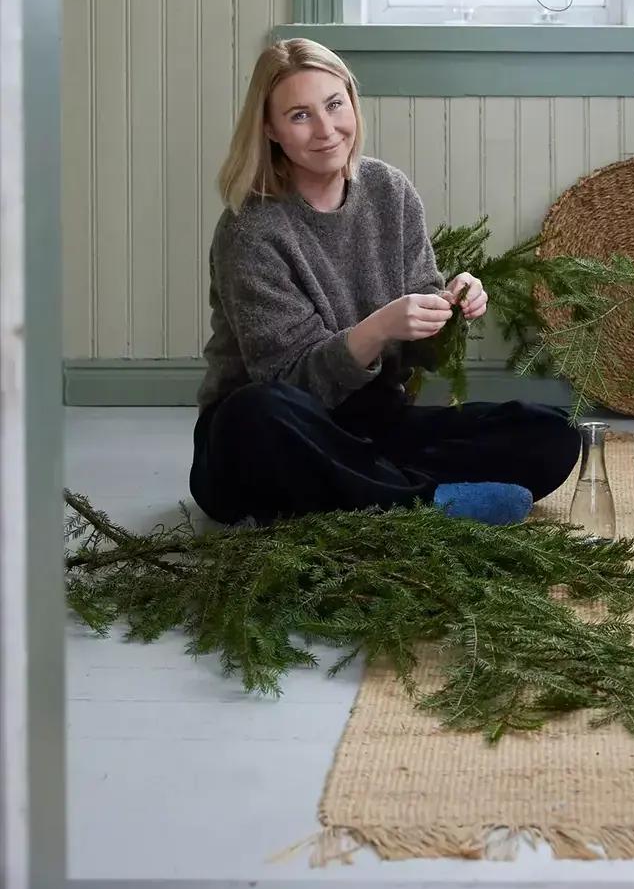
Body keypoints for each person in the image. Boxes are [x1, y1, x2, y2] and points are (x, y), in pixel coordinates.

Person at [191, 38, 581, 527]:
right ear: (270, 128)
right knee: (255, 412)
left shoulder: (388, 190)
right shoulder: (251, 229)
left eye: (335, 105)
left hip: (371, 424)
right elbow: (288, 384)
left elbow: (426, 355)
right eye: (300, 115)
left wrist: (450, 307)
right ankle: (426, 504)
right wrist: (376, 329)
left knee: (550, 433)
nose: (326, 129)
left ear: (352, 101)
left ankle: (363, 490)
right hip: (263, 436)